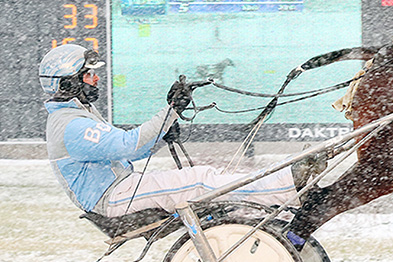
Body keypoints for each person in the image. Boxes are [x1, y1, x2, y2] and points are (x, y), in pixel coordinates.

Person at [39, 43, 323, 219]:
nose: (96, 77)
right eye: (88, 74)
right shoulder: (70, 125)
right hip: (111, 199)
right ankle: (286, 186)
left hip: (122, 187)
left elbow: (135, 151)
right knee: (198, 180)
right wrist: (171, 109)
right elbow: (127, 144)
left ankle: (278, 192)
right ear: (67, 83)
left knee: (202, 179)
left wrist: (162, 137)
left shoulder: (79, 115)